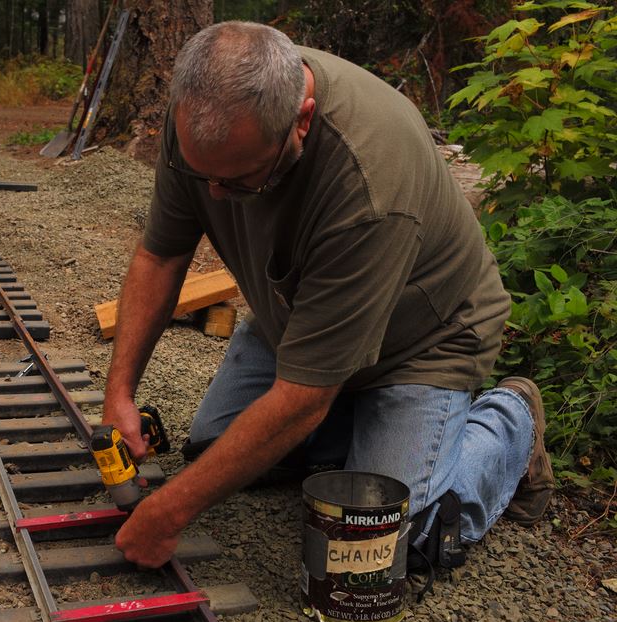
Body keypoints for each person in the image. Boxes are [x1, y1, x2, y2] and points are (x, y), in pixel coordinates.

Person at [103, 21, 554, 569]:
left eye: (240, 181)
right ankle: (365, 425)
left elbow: (302, 399)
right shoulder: (204, 125)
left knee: (384, 542)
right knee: (214, 449)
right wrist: (120, 392)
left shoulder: (367, 185)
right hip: (302, 322)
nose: (215, 194)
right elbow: (161, 255)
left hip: (422, 343)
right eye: (203, 177)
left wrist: (168, 514)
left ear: (302, 121)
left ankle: (508, 424)